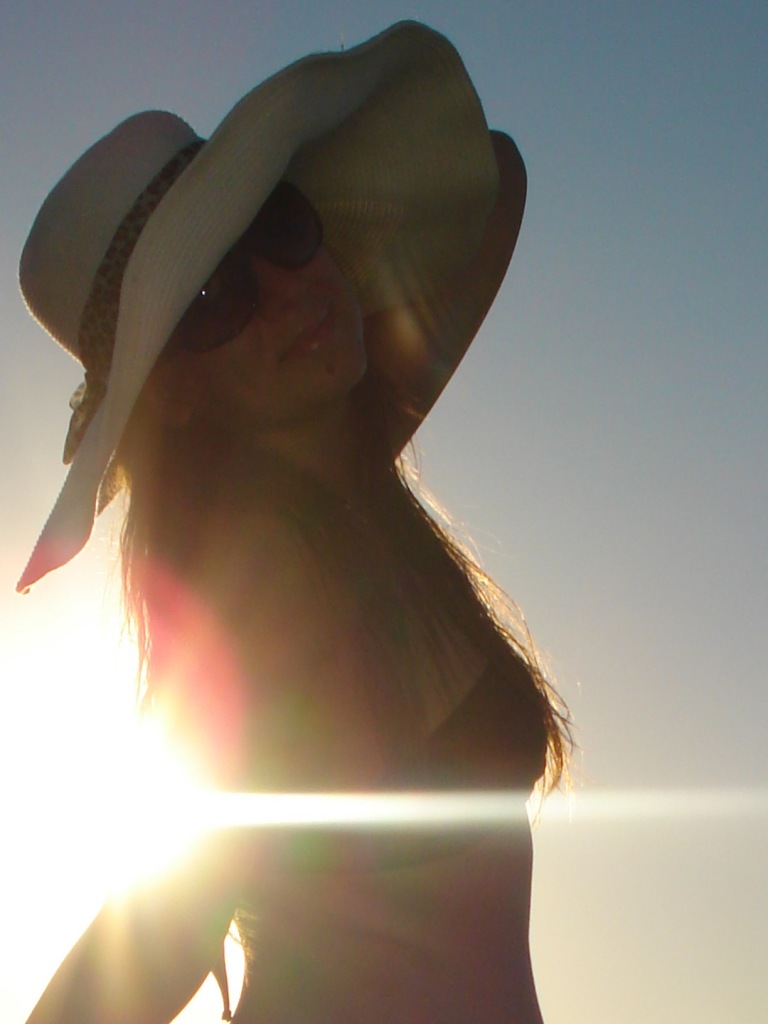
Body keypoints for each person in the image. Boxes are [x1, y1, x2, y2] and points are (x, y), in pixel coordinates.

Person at [17, 21, 570, 1024]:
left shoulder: (346, 506)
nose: (283, 289)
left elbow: (493, 190)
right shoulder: (266, 579)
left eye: (276, 224)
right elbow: (157, 938)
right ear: (172, 393)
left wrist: (321, 280)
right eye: (211, 294)